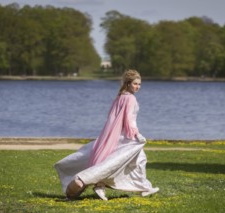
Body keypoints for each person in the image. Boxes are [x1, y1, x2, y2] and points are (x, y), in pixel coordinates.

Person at [54, 69, 159, 200]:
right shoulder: (130, 98)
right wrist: (136, 134)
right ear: (127, 84)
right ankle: (138, 187)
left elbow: (111, 118)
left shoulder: (120, 97)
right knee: (133, 161)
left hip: (115, 135)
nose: (138, 87)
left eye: (139, 84)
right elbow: (128, 119)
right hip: (127, 136)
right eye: (135, 84)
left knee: (118, 161)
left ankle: (106, 185)